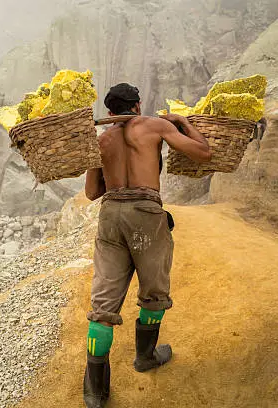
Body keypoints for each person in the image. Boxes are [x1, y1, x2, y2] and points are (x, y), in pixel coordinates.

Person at [82, 83, 211, 407]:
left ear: (110, 113)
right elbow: (203, 152)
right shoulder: (156, 125)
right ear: (137, 106)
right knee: (153, 293)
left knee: (103, 306)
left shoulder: (100, 140)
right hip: (145, 213)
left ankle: (95, 392)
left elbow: (91, 192)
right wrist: (183, 121)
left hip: (110, 216)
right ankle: (145, 356)